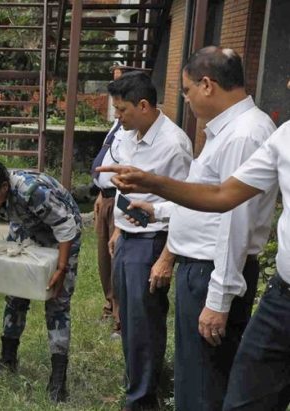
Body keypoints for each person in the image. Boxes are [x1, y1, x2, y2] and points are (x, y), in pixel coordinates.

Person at [113, 47, 278, 411]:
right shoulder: (227, 131)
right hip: (200, 267)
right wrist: (157, 210)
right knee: (194, 378)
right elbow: (207, 195)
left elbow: (237, 219)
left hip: (212, 272)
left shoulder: (244, 135)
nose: (185, 100)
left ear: (207, 85)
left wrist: (218, 300)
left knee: (204, 386)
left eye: (186, 91)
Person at [106, 72, 192, 411]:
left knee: (145, 322)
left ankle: (142, 400)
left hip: (153, 241)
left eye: (122, 110)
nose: (117, 116)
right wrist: (117, 228)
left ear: (144, 105)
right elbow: (125, 186)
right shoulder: (128, 134)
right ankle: (136, 384)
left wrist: (166, 258)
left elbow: (188, 203)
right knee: (127, 318)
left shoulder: (174, 144)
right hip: (127, 237)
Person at [0, 158, 82, 403]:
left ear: (3, 188)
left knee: (57, 302)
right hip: (25, 228)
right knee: (15, 295)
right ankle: (7, 360)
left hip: (61, 233)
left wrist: (61, 268)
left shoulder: (31, 191)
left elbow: (65, 225)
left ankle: (58, 379)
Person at [90, 65, 148, 335]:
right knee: (105, 259)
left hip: (121, 201)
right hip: (106, 198)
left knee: (119, 263)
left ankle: (120, 319)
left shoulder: (135, 127)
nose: (117, 111)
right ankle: (109, 305)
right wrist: (100, 194)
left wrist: (119, 210)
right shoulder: (119, 123)